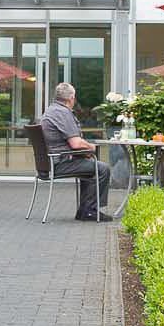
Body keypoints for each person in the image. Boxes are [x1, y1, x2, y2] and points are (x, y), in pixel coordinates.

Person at [38, 82, 111, 222]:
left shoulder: (50, 110)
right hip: (60, 162)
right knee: (102, 168)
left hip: (50, 163)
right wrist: (92, 147)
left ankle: (85, 210)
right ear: (71, 98)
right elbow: (76, 143)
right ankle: (90, 211)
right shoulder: (63, 113)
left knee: (89, 166)